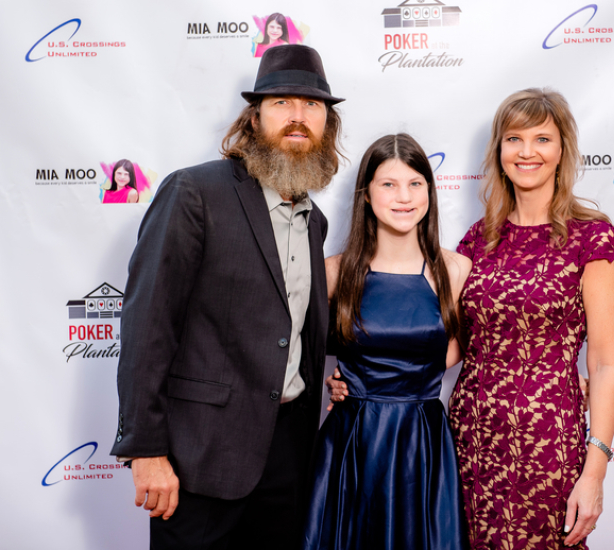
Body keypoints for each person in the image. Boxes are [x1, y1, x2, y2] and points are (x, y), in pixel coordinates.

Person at [111, 44, 345, 550]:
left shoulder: (314, 222)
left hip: (288, 456)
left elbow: (291, 332)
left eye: (313, 106)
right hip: (200, 459)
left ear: (328, 125)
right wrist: (146, 451)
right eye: (282, 103)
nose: (298, 117)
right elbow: (148, 326)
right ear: (255, 116)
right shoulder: (195, 192)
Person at [450, 88, 614, 549]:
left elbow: (605, 364)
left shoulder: (593, 237)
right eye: (514, 139)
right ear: (499, 151)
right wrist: (365, 374)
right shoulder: (477, 240)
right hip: (471, 440)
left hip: (549, 444)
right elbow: (449, 346)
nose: (527, 152)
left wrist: (595, 470)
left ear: (562, 149)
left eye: (542, 139)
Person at [303, 134, 471, 550]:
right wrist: (331, 380)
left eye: (416, 183)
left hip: (422, 444)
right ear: (366, 194)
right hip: (352, 442)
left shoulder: (456, 268)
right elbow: (288, 348)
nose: (404, 197)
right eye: (389, 184)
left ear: (430, 193)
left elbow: (456, 353)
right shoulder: (333, 271)